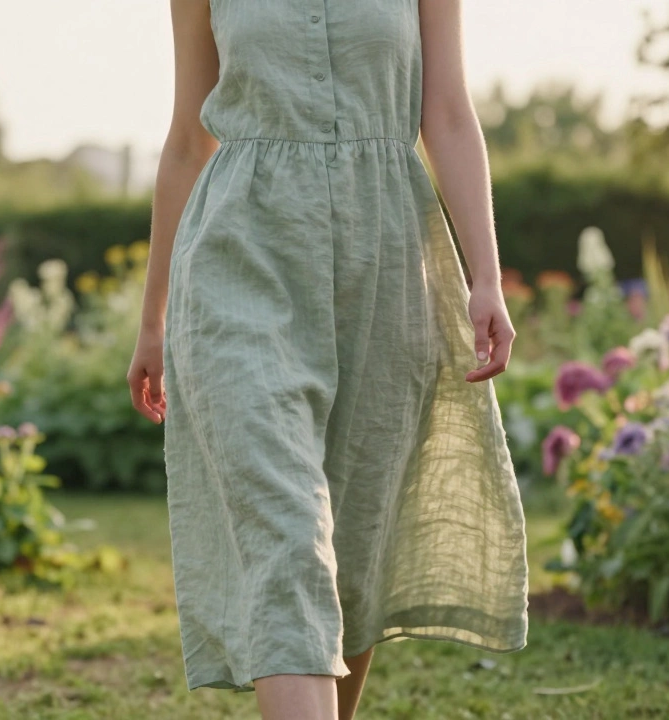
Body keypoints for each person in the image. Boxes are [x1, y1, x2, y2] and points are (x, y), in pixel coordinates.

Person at [127, 2, 529, 718]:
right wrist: (152, 319)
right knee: (286, 538)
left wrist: (486, 277)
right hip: (238, 262)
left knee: (352, 549)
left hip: (388, 265)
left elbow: (449, 114)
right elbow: (189, 141)